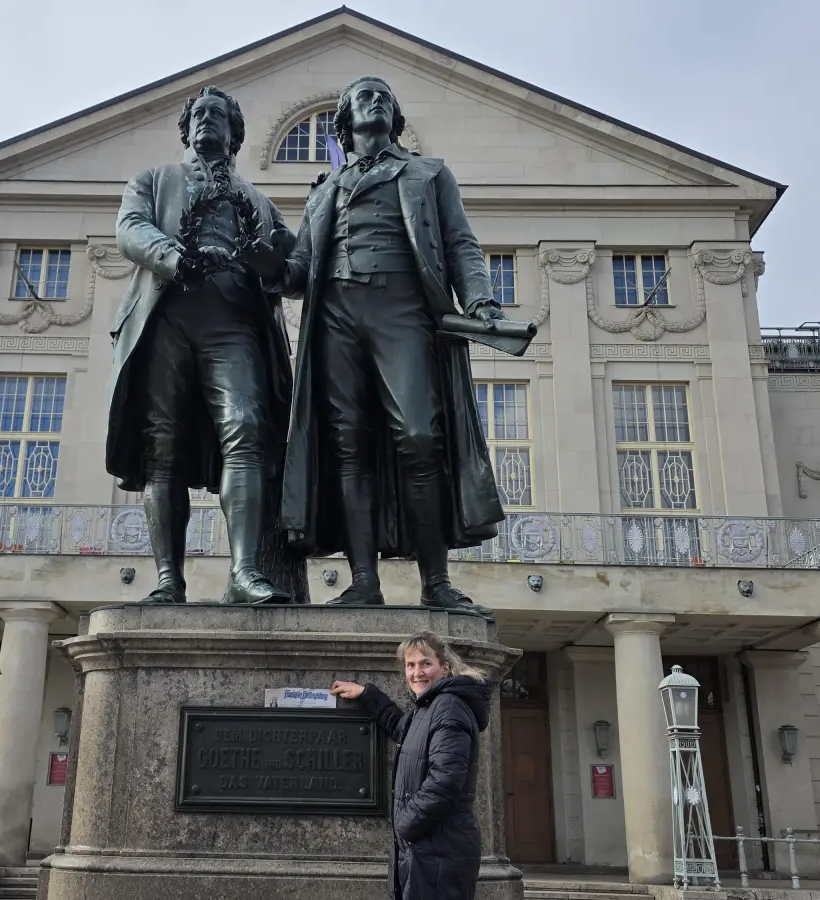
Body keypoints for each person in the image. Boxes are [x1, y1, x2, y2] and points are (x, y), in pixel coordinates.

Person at [277, 75, 504, 617]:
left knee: (421, 436)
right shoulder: (324, 190)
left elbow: (460, 244)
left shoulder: (428, 172)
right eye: (362, 95)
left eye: (383, 96)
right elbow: (299, 272)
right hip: (335, 315)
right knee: (348, 444)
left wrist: (479, 301)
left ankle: (436, 581)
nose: (375, 101)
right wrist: (261, 262)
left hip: (403, 308)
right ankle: (362, 580)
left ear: (395, 117)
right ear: (345, 119)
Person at [106, 85, 302, 605]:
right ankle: (170, 578)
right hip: (168, 316)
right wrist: (172, 256)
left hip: (234, 322)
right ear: (187, 126)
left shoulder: (258, 201)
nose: (207, 121)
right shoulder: (153, 180)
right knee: (162, 445)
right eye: (199, 114)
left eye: (218, 115)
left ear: (234, 135)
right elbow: (129, 229)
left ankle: (244, 571)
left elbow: (294, 267)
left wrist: (274, 262)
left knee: (245, 429)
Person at [331, 631, 492, 900]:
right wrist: (367, 695)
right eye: (410, 665)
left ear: (444, 668)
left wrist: (405, 824)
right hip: (427, 851)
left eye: (425, 663)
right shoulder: (429, 708)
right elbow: (403, 728)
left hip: (439, 852)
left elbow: (446, 780)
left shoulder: (449, 707)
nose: (417, 672)